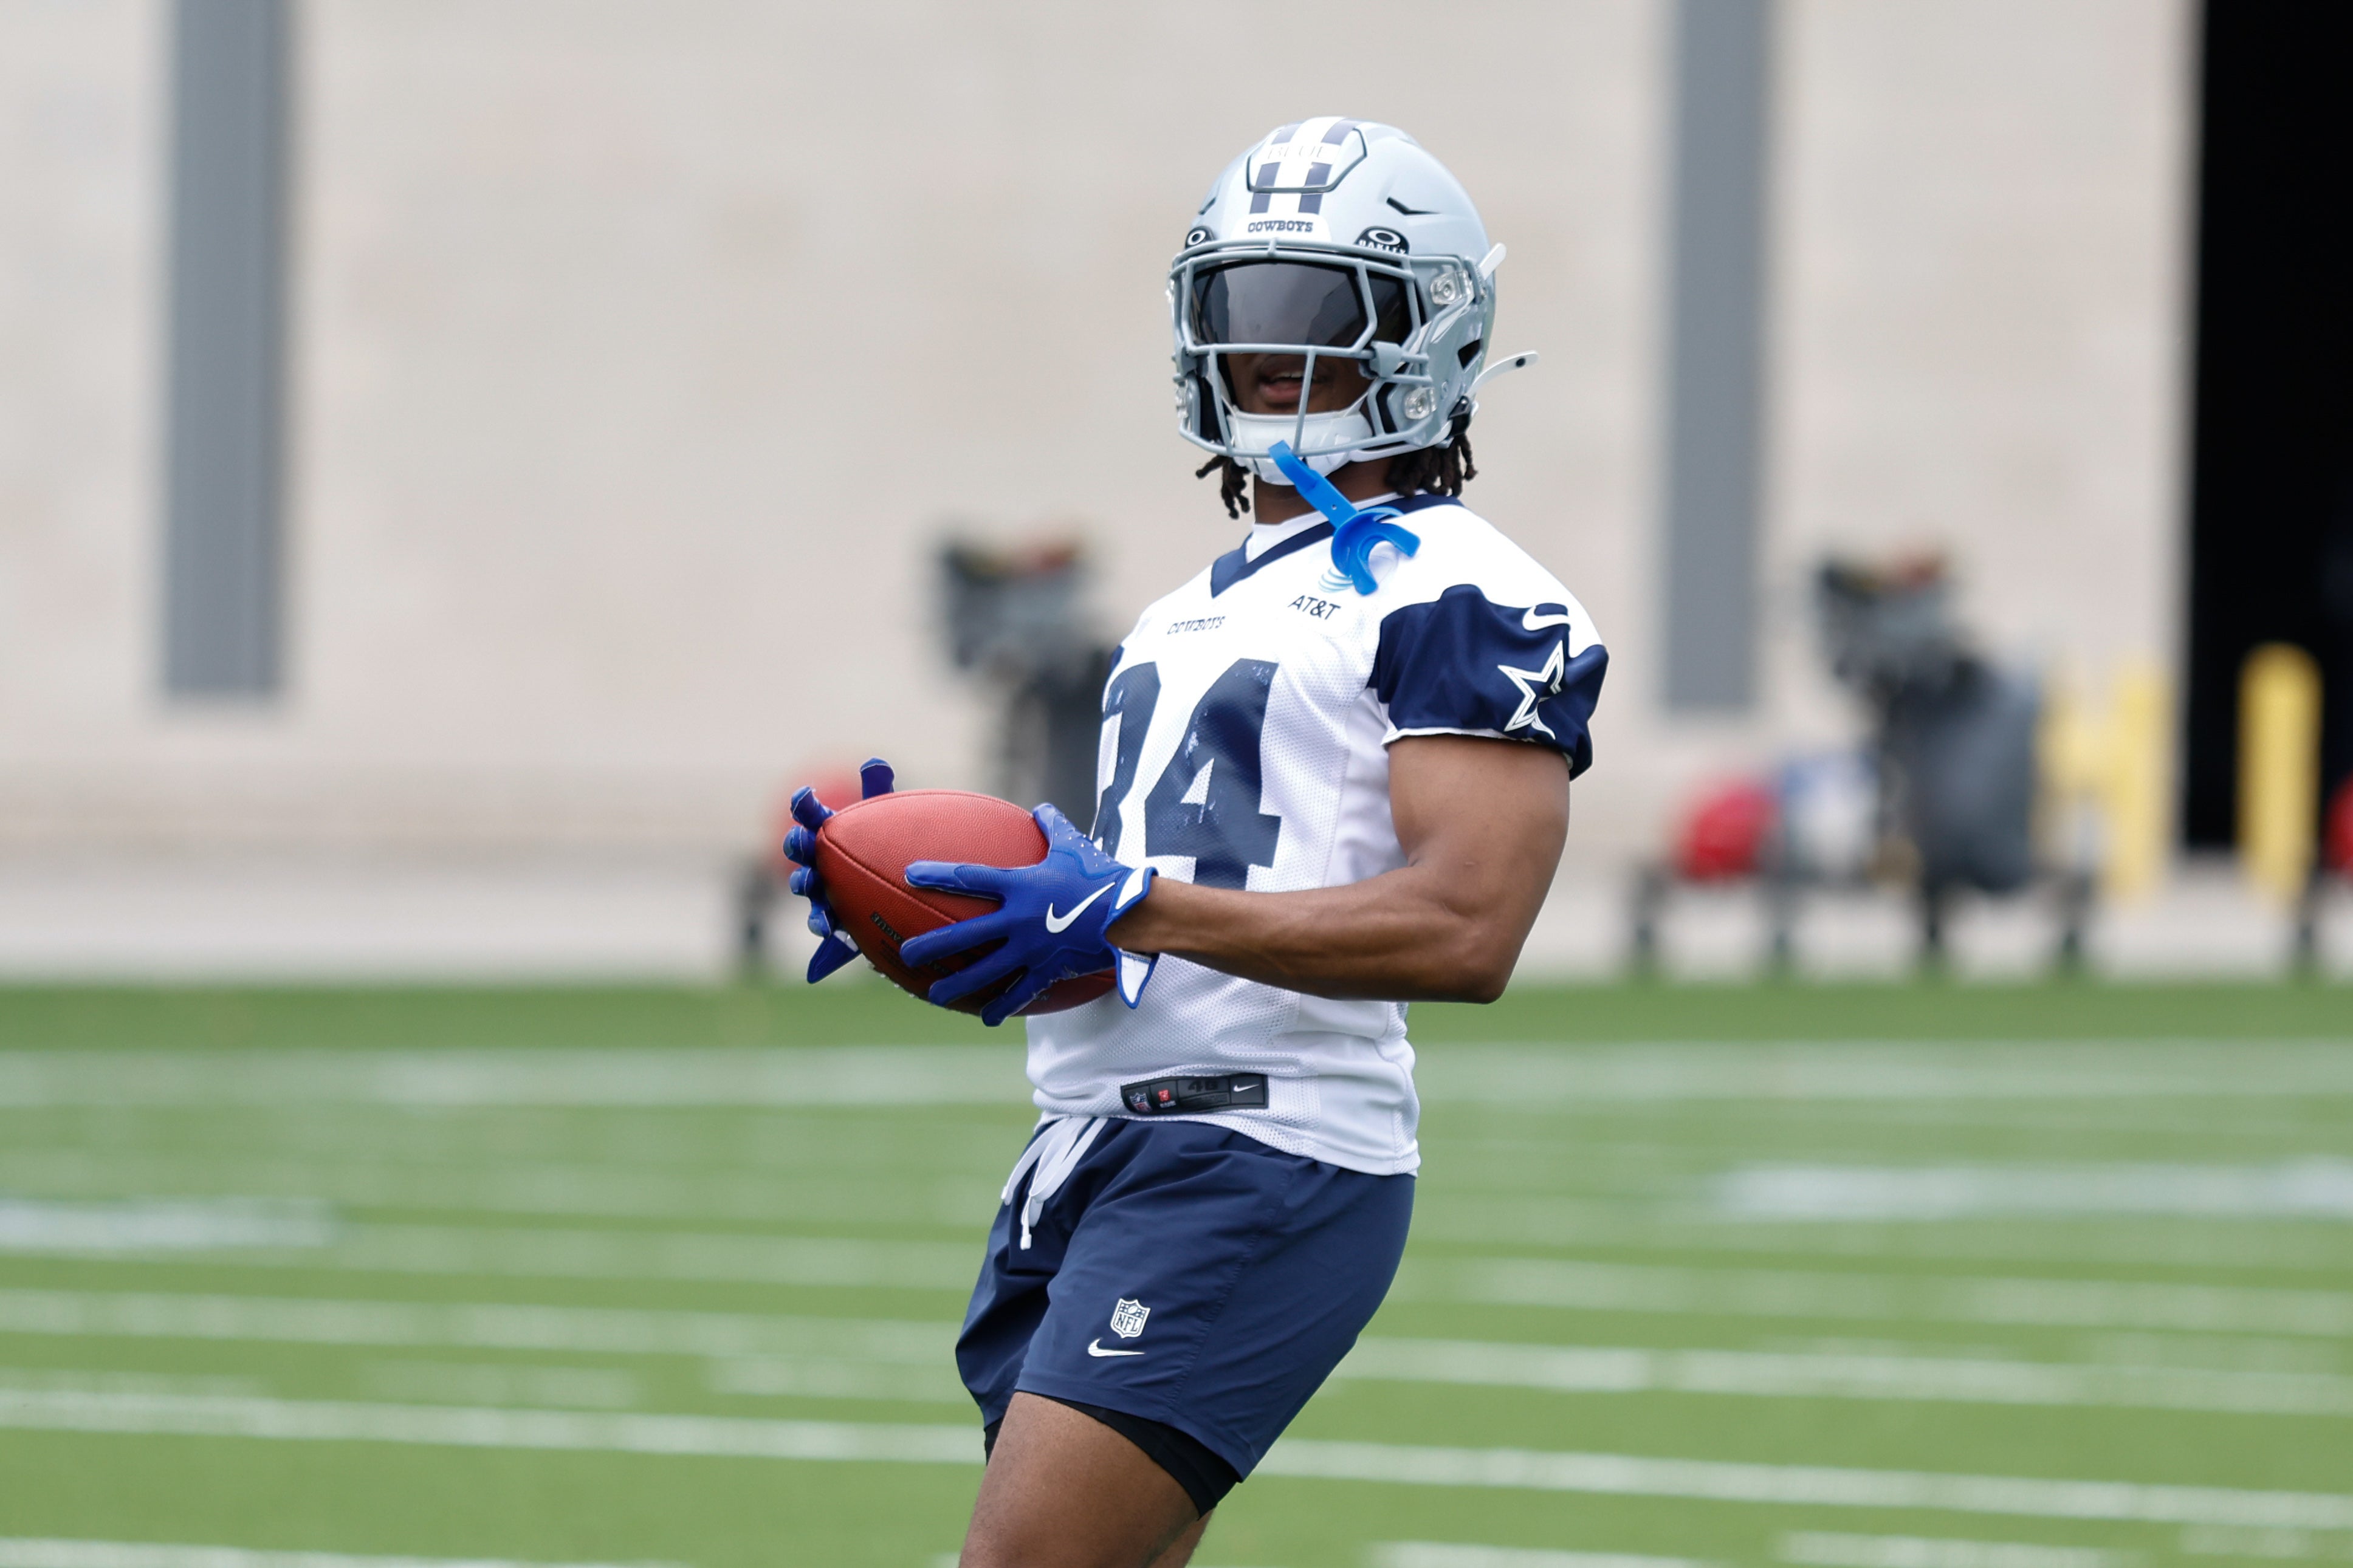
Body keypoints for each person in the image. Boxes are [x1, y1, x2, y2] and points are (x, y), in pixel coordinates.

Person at [785, 118, 1607, 1568]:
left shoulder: (1464, 593)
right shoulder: (1185, 608)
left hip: (1262, 1150)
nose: (1265, 357)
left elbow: (1465, 931)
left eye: (1316, 316)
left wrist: (1133, 904)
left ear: (1428, 333)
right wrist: (938, 905)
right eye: (1241, 312)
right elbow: (1133, 925)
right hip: (1094, 1140)